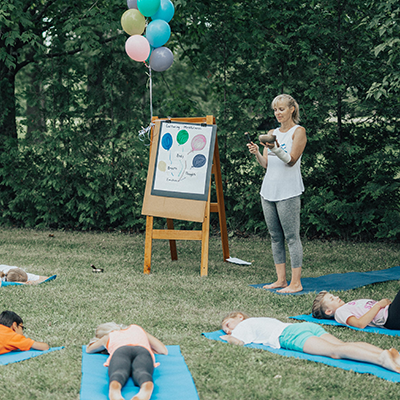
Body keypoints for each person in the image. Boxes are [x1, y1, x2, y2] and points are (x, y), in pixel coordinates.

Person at [246, 94, 307, 293]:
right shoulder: (271, 132)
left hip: (288, 191)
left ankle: (295, 283)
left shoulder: (299, 132)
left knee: (291, 236)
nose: (277, 113)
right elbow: (266, 164)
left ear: (292, 109)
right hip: (268, 191)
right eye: (275, 110)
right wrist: (257, 152)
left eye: (281, 109)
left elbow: (291, 160)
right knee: (275, 237)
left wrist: (276, 148)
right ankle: (281, 279)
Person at [220, 311, 400, 373]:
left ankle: (381, 359)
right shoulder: (258, 319)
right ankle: (385, 353)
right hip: (304, 327)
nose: (228, 329)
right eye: (226, 330)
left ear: (239, 316)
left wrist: (228, 338)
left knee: (335, 352)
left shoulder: (243, 325)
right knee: (342, 345)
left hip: (290, 335)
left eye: (227, 324)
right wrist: (230, 333)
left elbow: (239, 342)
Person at [86, 322, 168, 400]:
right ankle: (145, 387)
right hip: (142, 351)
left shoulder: (108, 336)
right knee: (142, 372)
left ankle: (115, 392)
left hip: (120, 351)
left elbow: (89, 349)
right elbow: (163, 350)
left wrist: (103, 343)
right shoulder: (136, 328)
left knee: (118, 373)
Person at [312, 289, 400, 330]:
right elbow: (360, 324)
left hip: (390, 312)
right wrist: (379, 305)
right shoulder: (340, 312)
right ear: (328, 311)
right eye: (332, 299)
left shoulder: (347, 305)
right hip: (389, 318)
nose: (337, 297)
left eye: (334, 296)